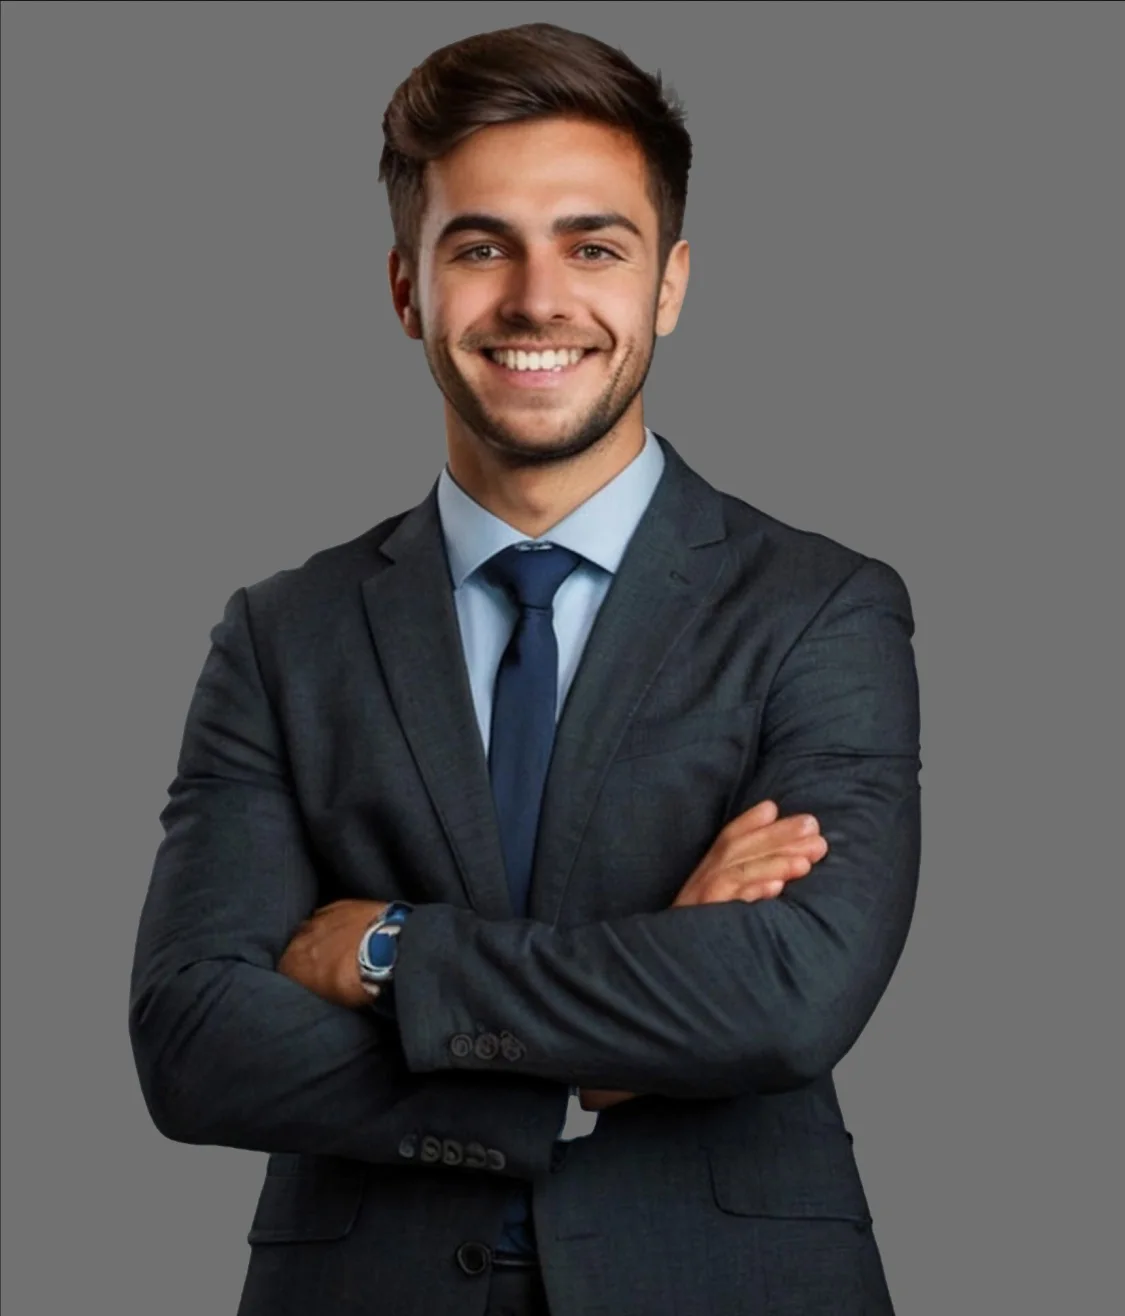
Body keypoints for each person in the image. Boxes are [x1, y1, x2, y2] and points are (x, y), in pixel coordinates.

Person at [129, 22, 920, 1316]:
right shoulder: (283, 634)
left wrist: (390, 952)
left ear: (668, 285)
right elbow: (194, 1038)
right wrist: (578, 1078)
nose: (539, 300)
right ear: (407, 290)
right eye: (482, 247)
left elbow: (788, 992)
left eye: (593, 247)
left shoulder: (820, 609)